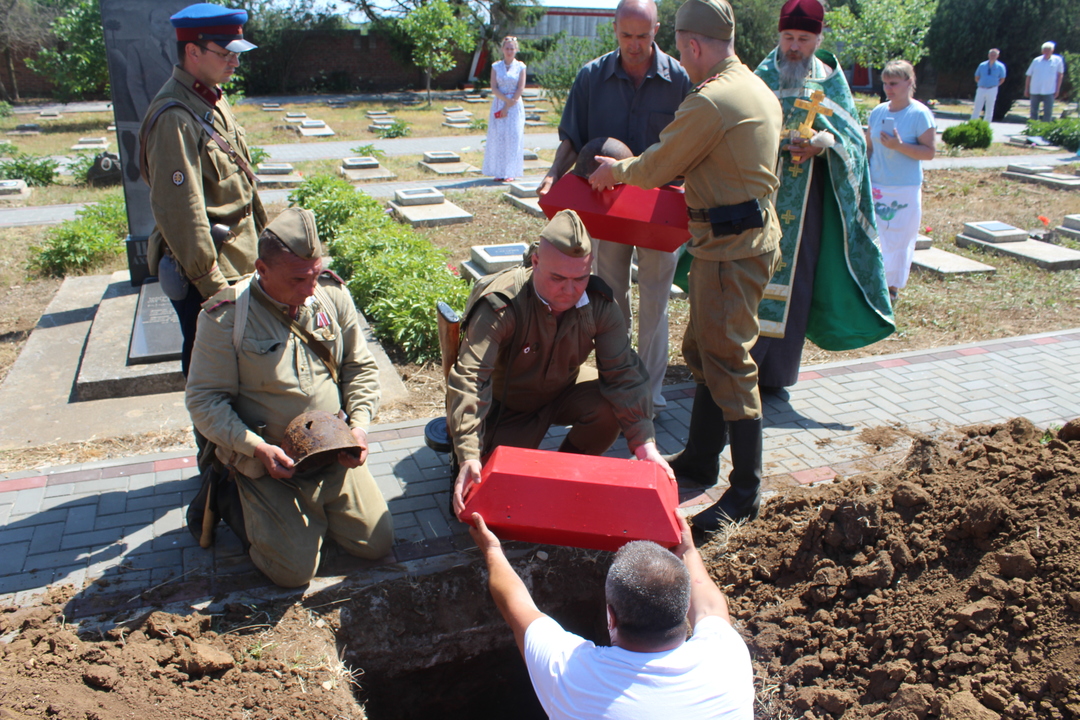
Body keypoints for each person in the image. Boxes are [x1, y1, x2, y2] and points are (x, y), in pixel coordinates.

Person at [590, 0, 782, 532]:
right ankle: (700, 457)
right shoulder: (753, 85)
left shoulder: (711, 101)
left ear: (693, 46)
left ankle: (745, 490)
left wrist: (617, 172)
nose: (681, 58)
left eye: (680, 49)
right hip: (742, 239)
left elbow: (658, 166)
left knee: (729, 361)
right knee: (704, 350)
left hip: (729, 251)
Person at [185, 207, 394, 588]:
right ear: (261, 270)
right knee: (292, 573)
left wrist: (359, 427)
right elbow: (204, 402)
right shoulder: (226, 317)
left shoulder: (331, 296)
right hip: (268, 464)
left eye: (314, 275)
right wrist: (254, 448)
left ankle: (311, 518)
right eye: (298, 279)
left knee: (376, 543)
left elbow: (360, 369)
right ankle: (237, 501)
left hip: (332, 453)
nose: (310, 288)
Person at [447, 209, 673, 517]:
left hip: (564, 389)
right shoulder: (503, 304)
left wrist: (645, 445)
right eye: (557, 278)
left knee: (609, 407)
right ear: (536, 262)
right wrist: (468, 454)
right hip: (509, 405)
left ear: (590, 267)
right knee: (484, 502)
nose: (569, 290)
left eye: (579, 278)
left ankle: (565, 475)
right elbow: (471, 379)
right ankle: (475, 454)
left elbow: (624, 373)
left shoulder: (599, 304)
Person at [538, 0, 693, 414]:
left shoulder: (680, 79)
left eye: (643, 36)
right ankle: (619, 379)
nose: (635, 45)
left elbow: (693, 144)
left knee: (656, 300)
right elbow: (572, 137)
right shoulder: (592, 76)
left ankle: (651, 392)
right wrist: (555, 173)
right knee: (609, 295)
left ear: (657, 29)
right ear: (614, 29)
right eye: (627, 36)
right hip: (605, 207)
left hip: (660, 208)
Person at [469, 511, 754, 719]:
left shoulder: (575, 677)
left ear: (610, 617)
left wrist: (492, 550)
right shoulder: (728, 657)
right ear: (685, 605)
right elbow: (711, 606)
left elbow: (518, 608)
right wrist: (690, 550)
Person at [749, 0, 894, 392]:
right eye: (788, 37)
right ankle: (737, 369)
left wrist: (822, 145)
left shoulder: (830, 79)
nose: (794, 47)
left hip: (809, 197)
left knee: (797, 280)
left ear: (818, 38)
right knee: (751, 278)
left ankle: (776, 374)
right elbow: (742, 128)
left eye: (803, 39)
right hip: (763, 195)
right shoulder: (761, 76)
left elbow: (851, 142)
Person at [139, 2, 267, 376]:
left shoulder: (212, 98)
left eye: (236, 53)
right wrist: (213, 288)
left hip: (237, 258)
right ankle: (212, 438)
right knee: (212, 374)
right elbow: (182, 211)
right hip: (209, 272)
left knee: (240, 369)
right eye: (225, 53)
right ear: (192, 51)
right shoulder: (175, 117)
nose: (235, 63)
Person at [867, 60, 936, 303]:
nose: (888, 89)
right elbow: (869, 147)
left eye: (894, 83)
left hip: (904, 187)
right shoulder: (878, 111)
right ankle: (874, 283)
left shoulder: (919, 113)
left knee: (899, 239)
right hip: (877, 185)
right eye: (885, 83)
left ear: (909, 82)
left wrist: (899, 146)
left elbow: (928, 152)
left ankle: (893, 287)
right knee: (877, 238)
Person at [482, 36, 527, 183]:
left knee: (513, 137)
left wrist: (509, 104)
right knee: (499, 138)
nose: (509, 51)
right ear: (502, 49)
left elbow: (520, 87)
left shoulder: (521, 67)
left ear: (516, 50)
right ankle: (499, 171)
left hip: (514, 105)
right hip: (499, 102)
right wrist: (504, 101)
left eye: (512, 48)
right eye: (507, 48)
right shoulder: (496, 66)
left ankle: (511, 172)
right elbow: (494, 87)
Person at [1025, 42, 1065, 122]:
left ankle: (1045, 129)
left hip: (1049, 89)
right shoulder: (1036, 61)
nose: (1046, 52)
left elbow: (1060, 75)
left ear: (1052, 51)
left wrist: (1057, 89)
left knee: (1048, 111)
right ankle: (1033, 128)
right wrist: (1026, 89)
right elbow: (1029, 75)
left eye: (1048, 50)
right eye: (1045, 50)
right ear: (1042, 51)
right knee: (1033, 111)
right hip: (1035, 89)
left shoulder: (1057, 60)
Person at [971, 48, 1006, 122]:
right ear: (988, 55)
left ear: (998, 56)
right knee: (977, 106)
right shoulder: (982, 65)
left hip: (992, 89)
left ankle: (986, 124)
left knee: (990, 107)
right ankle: (973, 122)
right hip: (981, 88)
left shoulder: (1000, 66)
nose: (992, 56)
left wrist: (995, 85)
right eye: (991, 55)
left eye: (994, 55)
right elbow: (977, 76)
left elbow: (1002, 79)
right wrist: (981, 84)